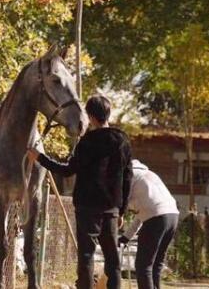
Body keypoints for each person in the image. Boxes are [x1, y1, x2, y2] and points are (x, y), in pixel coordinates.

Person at [28, 95, 132, 289]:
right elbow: (127, 177)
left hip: (87, 206)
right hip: (111, 208)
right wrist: (122, 210)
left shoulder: (86, 142)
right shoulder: (123, 141)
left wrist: (40, 158)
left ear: (90, 116)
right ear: (108, 113)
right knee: (113, 259)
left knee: (86, 255)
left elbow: (67, 170)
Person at [118, 159, 179, 289]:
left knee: (143, 265)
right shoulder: (149, 174)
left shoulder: (129, 175)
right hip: (173, 216)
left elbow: (122, 202)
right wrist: (126, 237)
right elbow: (143, 213)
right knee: (156, 264)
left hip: (157, 218)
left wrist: (118, 214)